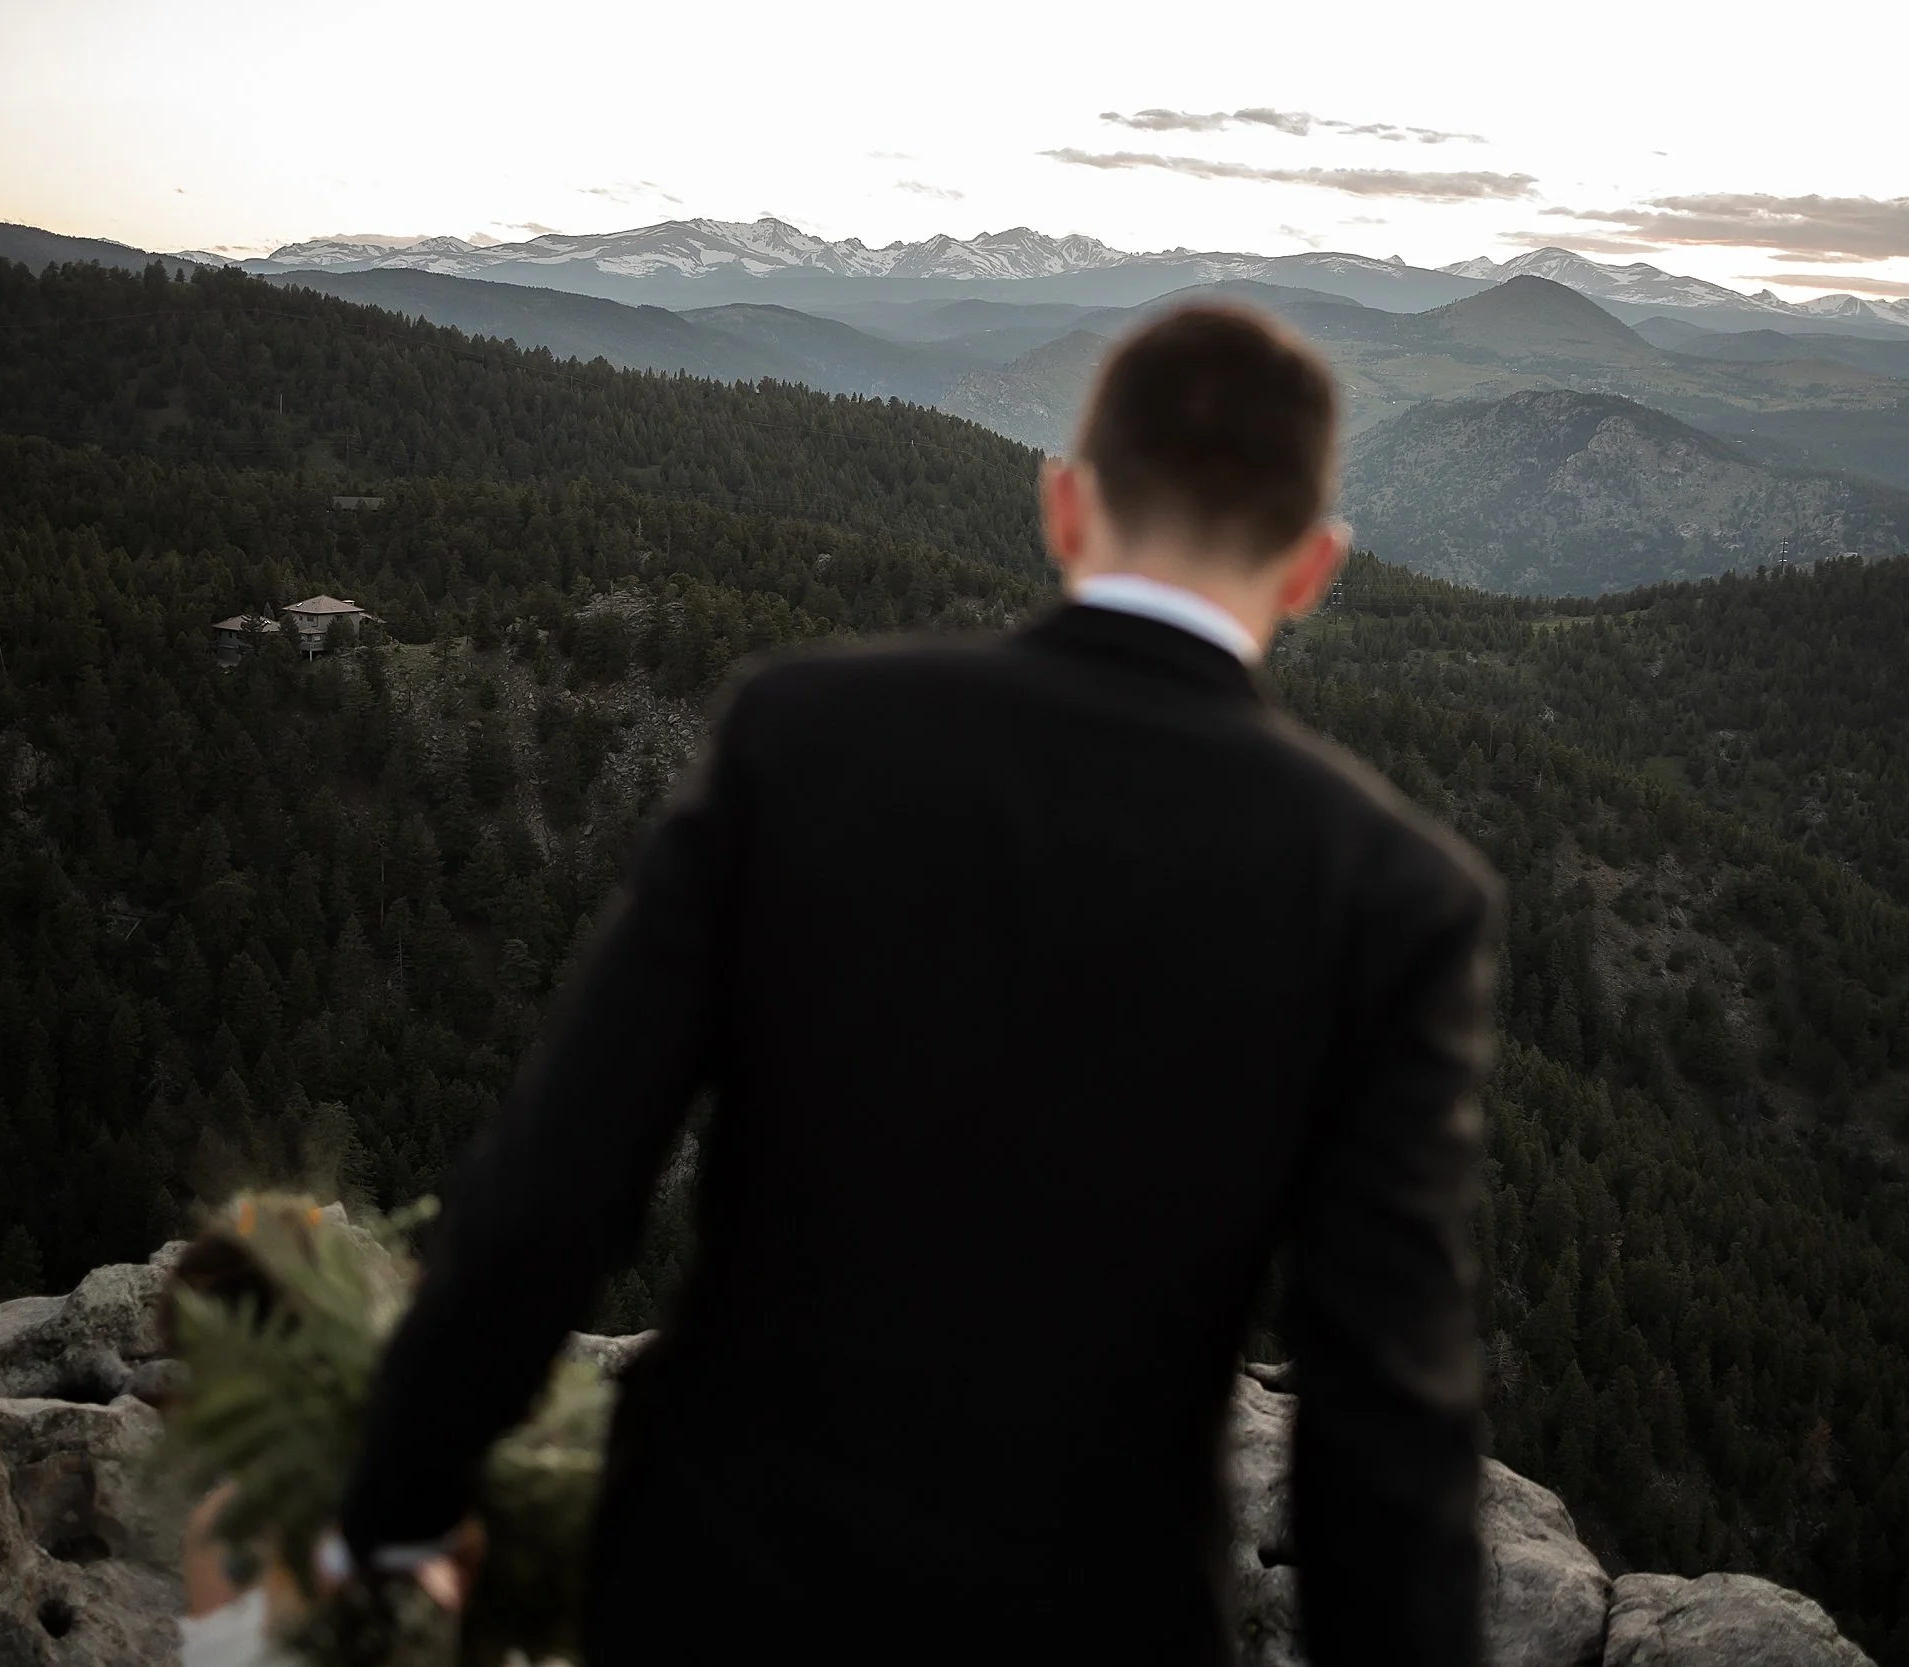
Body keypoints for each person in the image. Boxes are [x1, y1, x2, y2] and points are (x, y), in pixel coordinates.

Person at [335, 303, 1502, 1665]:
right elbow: (1383, 1408)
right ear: (1312, 569)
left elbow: (555, 1188)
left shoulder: (805, 737)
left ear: (1065, 507)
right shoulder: (1394, 894)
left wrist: (393, 1514)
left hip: (711, 1592)